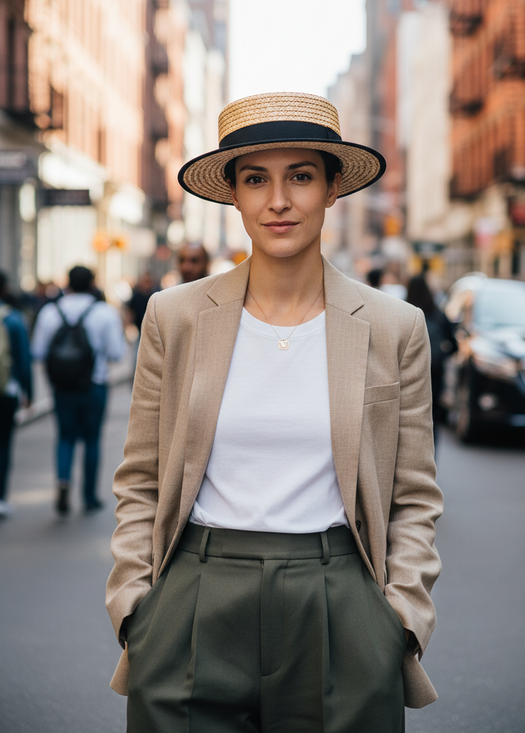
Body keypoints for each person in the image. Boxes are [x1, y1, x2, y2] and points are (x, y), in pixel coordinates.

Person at [106, 92, 443, 732]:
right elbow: (141, 478)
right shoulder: (173, 317)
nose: (278, 201)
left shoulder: (395, 327)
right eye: (256, 178)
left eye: (301, 177)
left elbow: (415, 494)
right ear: (233, 194)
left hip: (342, 596)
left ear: (333, 187)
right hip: (194, 596)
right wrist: (134, 606)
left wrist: (400, 617)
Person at [32, 266, 124, 515]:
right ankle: (89, 496)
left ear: (67, 284)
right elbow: (117, 352)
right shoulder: (104, 312)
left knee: (65, 437)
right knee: (92, 439)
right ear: (92, 283)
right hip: (95, 385)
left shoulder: (51, 312)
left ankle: (63, 481)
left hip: (62, 387)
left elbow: (38, 351)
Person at [406, 274, 457, 446]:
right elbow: (454, 345)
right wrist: (441, 356)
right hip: (434, 374)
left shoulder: (403, 314)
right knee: (432, 419)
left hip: (407, 373)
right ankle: (430, 459)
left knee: (407, 417)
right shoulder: (438, 315)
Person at [0, 272, 33, 518]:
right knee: (3, 444)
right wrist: (28, 392)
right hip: (5, 391)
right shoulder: (12, 319)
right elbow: (23, 361)